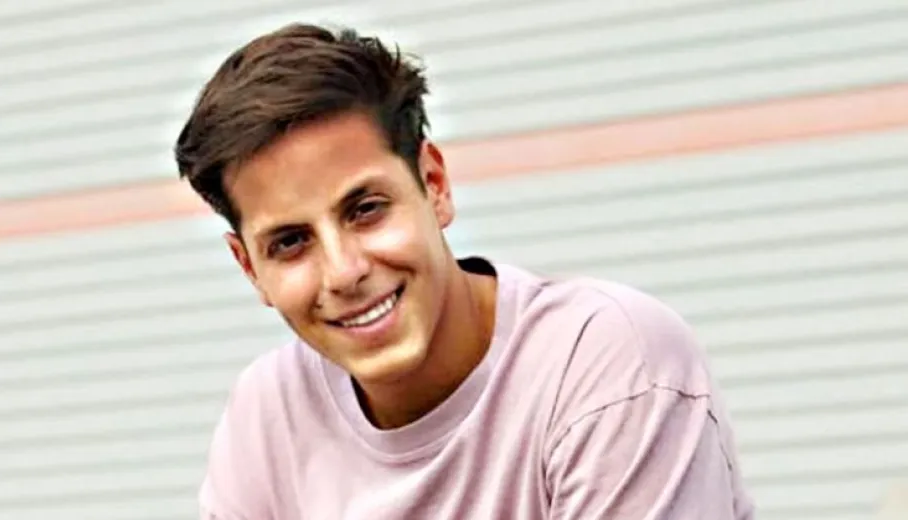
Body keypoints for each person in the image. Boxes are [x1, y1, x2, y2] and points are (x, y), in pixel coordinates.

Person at [174, 23, 755, 520]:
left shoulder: (608, 362)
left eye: (366, 209)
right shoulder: (267, 417)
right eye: (290, 242)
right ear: (250, 269)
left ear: (434, 184)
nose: (344, 272)